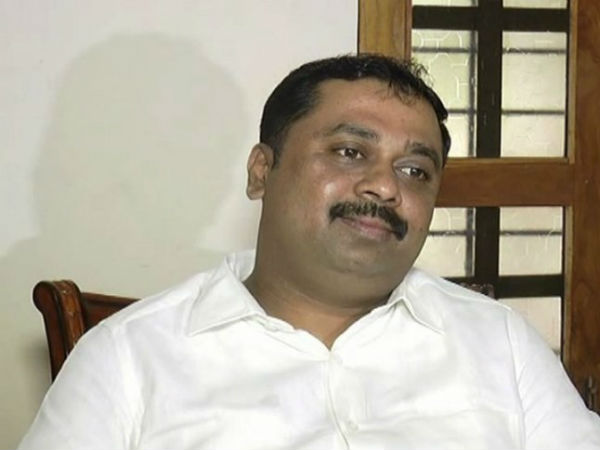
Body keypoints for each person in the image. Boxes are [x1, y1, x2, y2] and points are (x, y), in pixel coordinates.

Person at [19, 54, 600, 450]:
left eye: (415, 170)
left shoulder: (500, 343)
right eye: (350, 152)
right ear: (261, 171)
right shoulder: (128, 357)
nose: (385, 187)